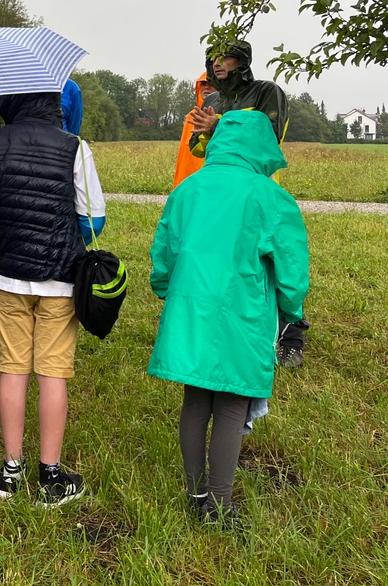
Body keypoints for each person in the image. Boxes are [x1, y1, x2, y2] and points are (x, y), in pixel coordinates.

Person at [148, 111, 309, 526]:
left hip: (190, 308)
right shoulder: (269, 195)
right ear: (263, 146)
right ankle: (217, 507)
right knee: (233, 404)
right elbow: (292, 264)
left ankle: (195, 492)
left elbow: (164, 249)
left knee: (196, 399)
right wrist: (292, 309)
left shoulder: (188, 188)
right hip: (243, 312)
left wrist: (165, 287)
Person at [0, 92, 105, 505]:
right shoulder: (74, 147)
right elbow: (95, 219)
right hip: (60, 278)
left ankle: (10, 470)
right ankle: (50, 475)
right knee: (52, 373)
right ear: (55, 105)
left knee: (13, 368)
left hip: (8, 277)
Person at [187, 41, 308, 368]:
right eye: (211, 58)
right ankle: (229, 331)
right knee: (228, 265)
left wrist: (219, 126)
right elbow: (198, 148)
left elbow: (269, 137)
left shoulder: (267, 92)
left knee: (273, 263)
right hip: (220, 195)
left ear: (241, 60)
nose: (216, 64)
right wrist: (204, 132)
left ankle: (291, 337)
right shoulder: (211, 99)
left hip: (259, 192)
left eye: (223, 56)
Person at [173, 73, 213, 188]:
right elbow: (183, 154)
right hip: (186, 179)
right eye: (203, 83)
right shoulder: (191, 116)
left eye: (210, 83)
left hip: (207, 179)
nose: (206, 87)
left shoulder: (223, 114)